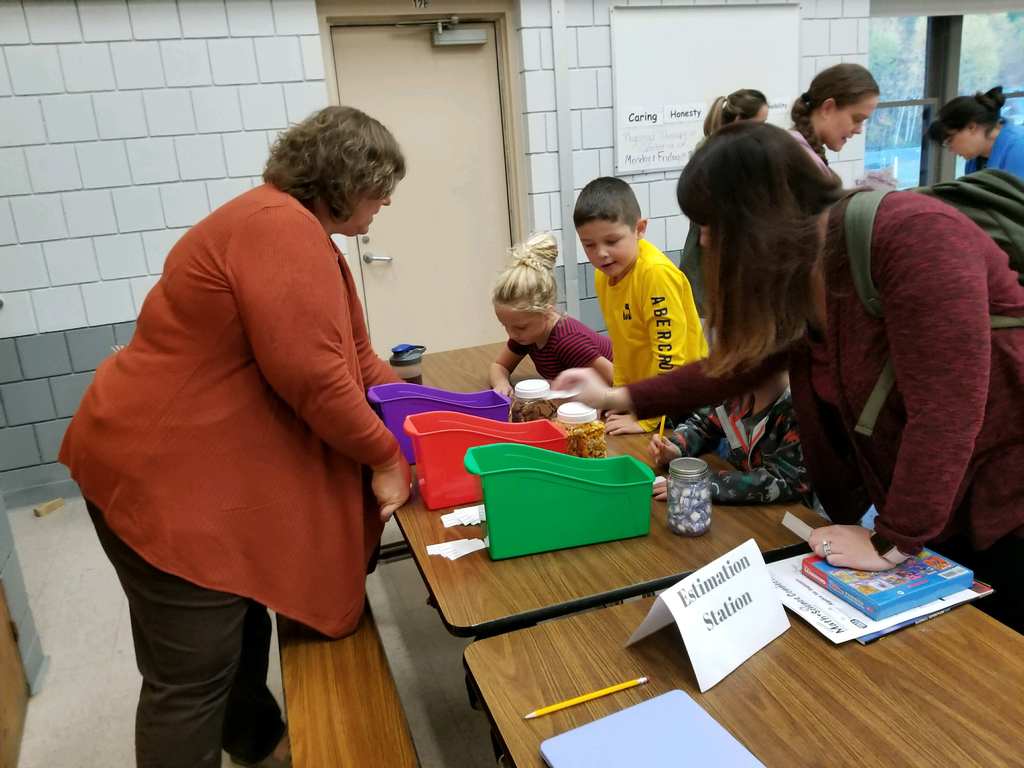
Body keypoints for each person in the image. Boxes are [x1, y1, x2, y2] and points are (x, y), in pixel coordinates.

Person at [555, 122, 1024, 634]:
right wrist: (617, 394)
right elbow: (741, 363)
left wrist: (892, 540)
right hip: (937, 505)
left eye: (710, 226)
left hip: (1004, 504)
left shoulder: (913, 235)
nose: (705, 241)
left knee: (994, 653)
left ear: (757, 217)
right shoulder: (802, 269)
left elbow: (947, 410)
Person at [58, 107, 412, 768]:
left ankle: (259, 745)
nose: (387, 201)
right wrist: (387, 454)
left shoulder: (295, 231)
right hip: (162, 478)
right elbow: (314, 380)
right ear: (345, 181)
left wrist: (415, 415)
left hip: (181, 470)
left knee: (240, 618)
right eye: (380, 186)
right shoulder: (277, 229)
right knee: (191, 675)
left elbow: (359, 361)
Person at [574, 177, 707, 434]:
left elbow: (670, 360)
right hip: (646, 398)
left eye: (612, 241)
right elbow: (621, 345)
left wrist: (646, 419)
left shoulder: (655, 275)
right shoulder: (603, 275)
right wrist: (620, 396)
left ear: (639, 229)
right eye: (589, 245)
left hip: (684, 403)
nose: (601, 253)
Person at [649, 370, 814, 508]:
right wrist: (676, 447)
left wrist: (703, 484)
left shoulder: (802, 410)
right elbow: (703, 426)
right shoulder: (735, 394)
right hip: (744, 508)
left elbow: (785, 479)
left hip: (793, 516)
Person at [489, 233, 613, 396]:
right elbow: (499, 366)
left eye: (520, 327)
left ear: (547, 312)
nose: (512, 334)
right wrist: (501, 384)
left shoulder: (568, 342)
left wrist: (558, 388)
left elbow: (618, 383)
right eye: (505, 326)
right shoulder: (525, 335)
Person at [684, 89, 770, 312]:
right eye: (760, 123)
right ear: (740, 120)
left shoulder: (724, 150)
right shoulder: (718, 156)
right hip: (715, 258)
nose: (763, 131)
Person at [790, 63, 880, 175]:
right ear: (828, 108)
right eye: (857, 119)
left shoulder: (787, 147)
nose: (859, 130)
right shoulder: (801, 163)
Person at [927, 86, 1024, 178]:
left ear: (971, 127)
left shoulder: (1019, 146)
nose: (950, 149)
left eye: (950, 141)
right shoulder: (974, 159)